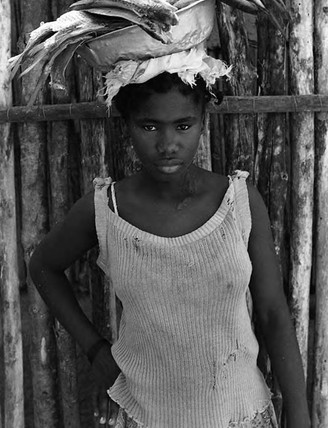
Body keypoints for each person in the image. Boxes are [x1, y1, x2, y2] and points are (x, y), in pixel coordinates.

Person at [29, 72, 310, 428]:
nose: (167, 144)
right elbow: (43, 267)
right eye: (149, 127)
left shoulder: (238, 203)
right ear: (126, 124)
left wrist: (301, 418)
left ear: (203, 122)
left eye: (183, 125)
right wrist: (96, 350)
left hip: (241, 414)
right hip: (145, 415)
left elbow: (272, 312)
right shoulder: (106, 209)